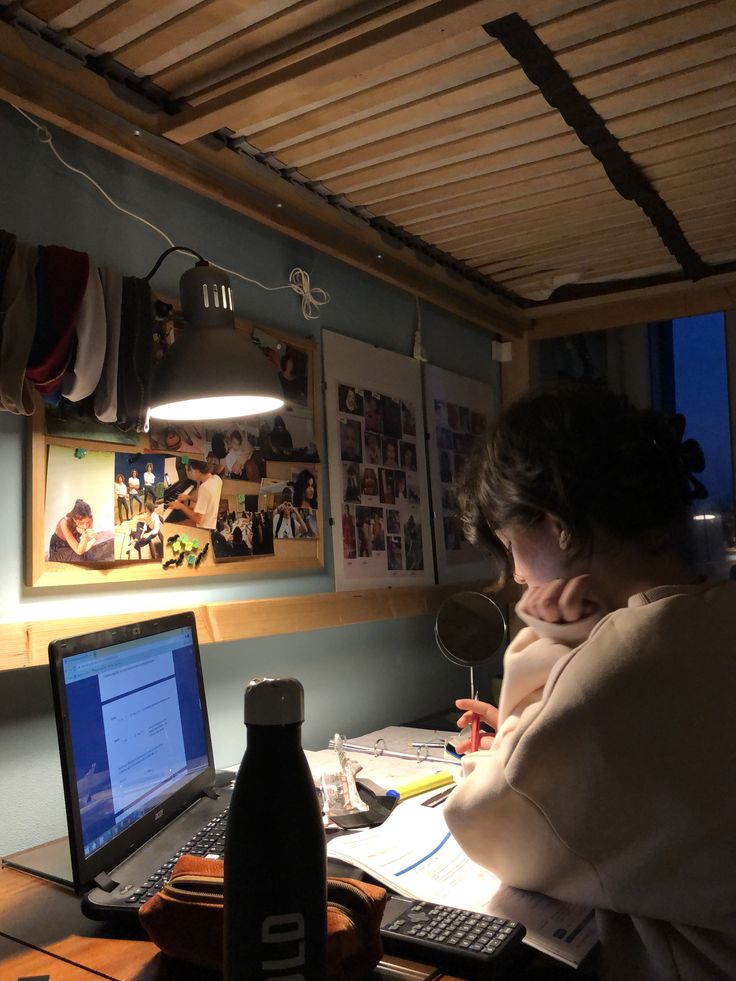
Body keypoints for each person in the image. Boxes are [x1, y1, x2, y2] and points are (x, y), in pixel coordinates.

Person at [442, 386, 736, 981]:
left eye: (510, 546)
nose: (517, 574)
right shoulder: (707, 617)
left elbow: (487, 821)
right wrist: (556, 710)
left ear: (557, 527)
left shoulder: (622, 664)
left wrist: (539, 654)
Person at [166, 459, 222, 530]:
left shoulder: (204, 487)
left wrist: (181, 506)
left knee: (172, 527)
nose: (191, 472)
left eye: (191, 470)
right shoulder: (217, 478)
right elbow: (206, 500)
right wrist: (189, 497)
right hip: (211, 521)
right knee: (181, 514)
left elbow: (198, 519)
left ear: (197, 470)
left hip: (204, 527)